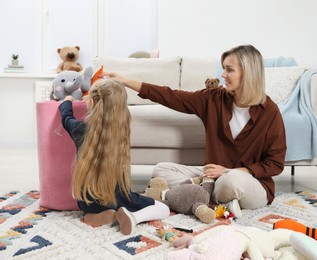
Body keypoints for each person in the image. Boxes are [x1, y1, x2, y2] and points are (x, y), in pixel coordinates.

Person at [102, 45, 287, 218]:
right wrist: (126, 82)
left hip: (248, 183)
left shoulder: (269, 111)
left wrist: (230, 171)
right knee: (161, 170)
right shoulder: (213, 99)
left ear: (248, 73)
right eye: (223, 68)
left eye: (229, 70)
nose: (223, 74)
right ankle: (207, 199)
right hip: (212, 177)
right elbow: (172, 96)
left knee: (230, 182)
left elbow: (275, 163)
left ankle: (187, 196)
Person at [59, 78, 170, 235]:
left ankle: (95, 216)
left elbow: (66, 118)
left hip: (86, 202)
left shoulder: (80, 129)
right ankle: (133, 217)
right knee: (163, 209)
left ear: (91, 102)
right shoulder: (120, 134)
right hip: (115, 199)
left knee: (101, 206)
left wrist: (67, 101)